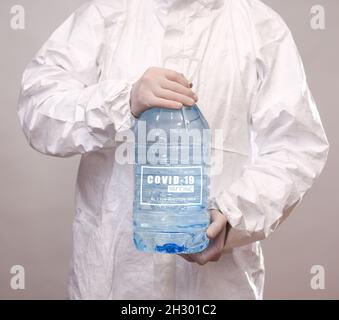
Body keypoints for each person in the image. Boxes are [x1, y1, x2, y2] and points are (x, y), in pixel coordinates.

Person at [18, 0, 329, 299]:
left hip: (217, 290)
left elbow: (297, 145)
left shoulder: (260, 27)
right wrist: (123, 101)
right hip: (112, 285)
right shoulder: (104, 16)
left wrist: (232, 216)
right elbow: (39, 110)